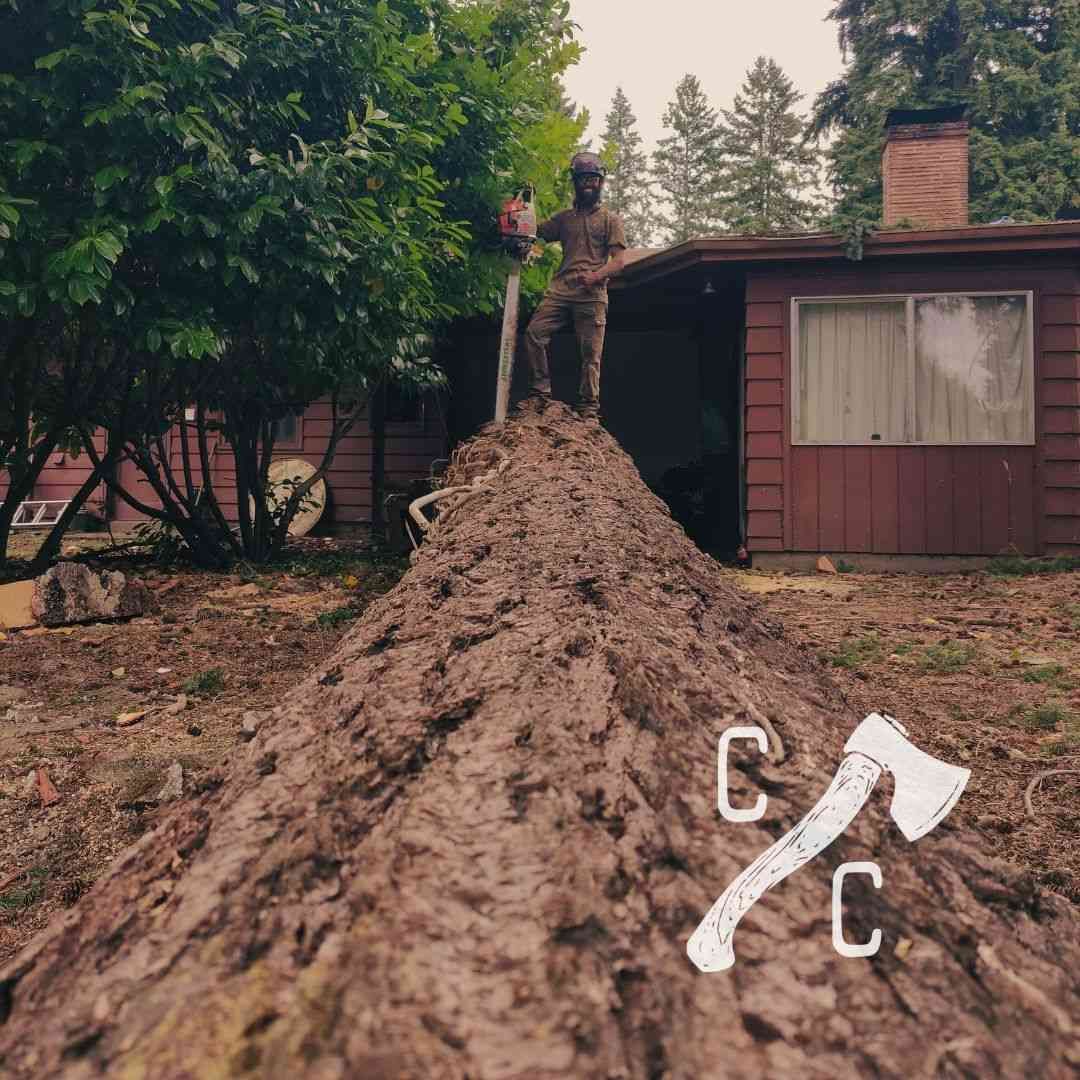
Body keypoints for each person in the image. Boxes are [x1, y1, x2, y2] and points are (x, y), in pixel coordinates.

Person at [521, 152, 628, 419]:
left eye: (593, 179)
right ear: (576, 183)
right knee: (534, 333)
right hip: (561, 289)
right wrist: (522, 205)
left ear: (601, 183)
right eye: (583, 179)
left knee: (590, 354)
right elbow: (534, 230)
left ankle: (588, 407)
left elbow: (619, 262)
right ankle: (540, 391)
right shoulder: (564, 219)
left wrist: (595, 276)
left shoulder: (610, 220)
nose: (588, 184)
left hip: (592, 294)